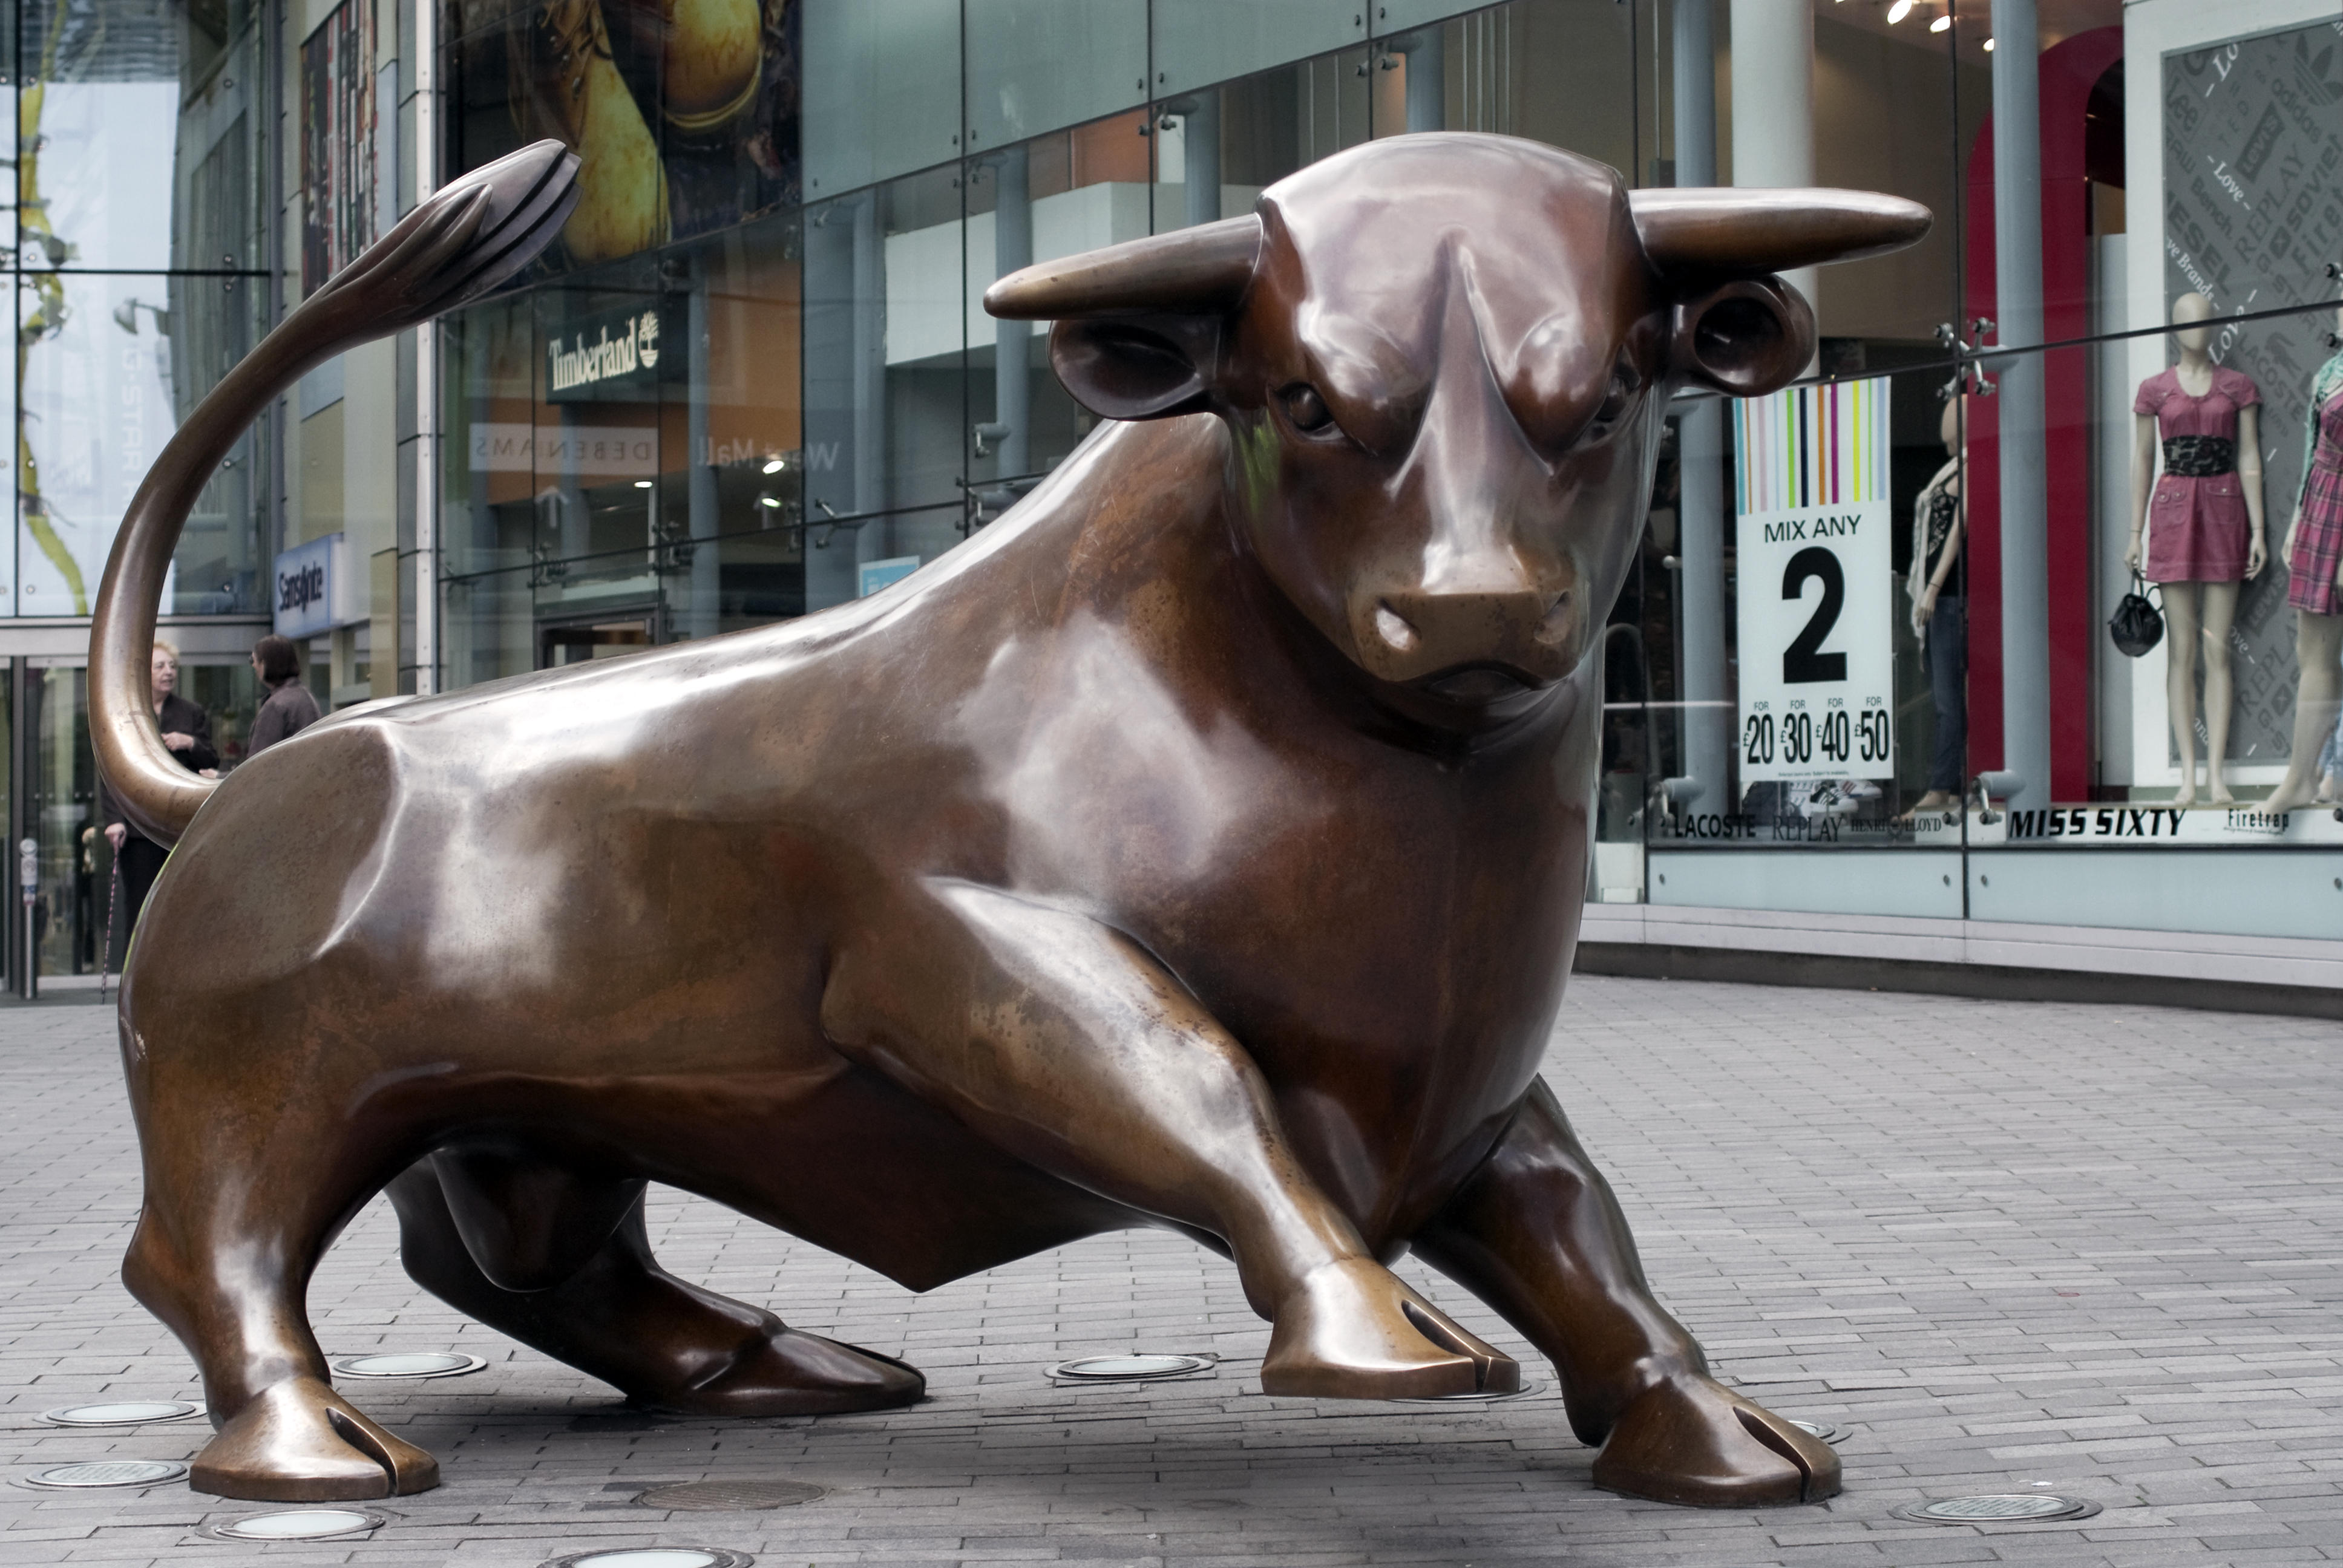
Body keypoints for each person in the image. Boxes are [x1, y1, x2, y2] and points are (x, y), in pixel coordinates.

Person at [100, 641, 215, 946]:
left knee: (180, 905)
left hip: (180, 826)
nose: (169, 672)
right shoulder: (127, 713)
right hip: (138, 828)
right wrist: (114, 820)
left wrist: (190, 743)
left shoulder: (191, 713)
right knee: (140, 906)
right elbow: (110, 770)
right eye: (160, 666)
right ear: (144, 674)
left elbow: (211, 761)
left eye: (172, 666)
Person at [1901, 396, 1968, 819]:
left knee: (1949, 700)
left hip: (1949, 600)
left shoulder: (1971, 466)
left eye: (1954, 410)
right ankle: (1950, 784)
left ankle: (1942, 787)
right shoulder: (1953, 467)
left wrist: (1932, 587)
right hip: (1942, 601)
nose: (1945, 414)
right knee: (1947, 698)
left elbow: (1959, 531)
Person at [246, 634, 321, 757]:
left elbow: (258, 763)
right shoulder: (306, 697)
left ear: (264, 664)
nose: (254, 665)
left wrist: (220, 776)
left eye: (254, 660)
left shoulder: (276, 706)